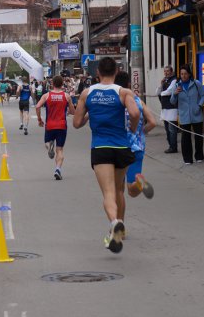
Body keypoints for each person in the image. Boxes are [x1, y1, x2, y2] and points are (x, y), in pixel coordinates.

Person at [73, 58, 140, 254]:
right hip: (121, 146)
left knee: (108, 193)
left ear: (97, 73)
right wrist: (133, 128)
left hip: (101, 147)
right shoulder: (123, 92)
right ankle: (120, 228)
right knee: (119, 190)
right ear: (117, 72)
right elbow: (135, 113)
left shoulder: (87, 93)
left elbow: (76, 123)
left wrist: (88, 115)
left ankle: (114, 223)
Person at [114, 71, 156, 201]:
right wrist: (141, 131)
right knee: (132, 188)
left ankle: (117, 216)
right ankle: (140, 181)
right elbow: (153, 122)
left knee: (118, 188)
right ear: (129, 84)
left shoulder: (114, 102)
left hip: (118, 146)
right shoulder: (138, 101)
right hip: (137, 146)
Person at [36, 75, 76, 180]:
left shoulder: (47, 96)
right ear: (62, 84)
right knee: (60, 150)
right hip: (62, 125)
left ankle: (49, 147)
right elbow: (73, 112)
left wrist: (39, 119)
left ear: (52, 84)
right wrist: (68, 111)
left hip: (50, 125)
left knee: (47, 143)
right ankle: (58, 169)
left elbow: (37, 106)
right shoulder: (66, 96)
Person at [171, 65, 204, 165]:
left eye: (185, 74)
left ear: (189, 74)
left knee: (198, 137)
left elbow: (203, 96)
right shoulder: (177, 85)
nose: (183, 76)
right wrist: (175, 93)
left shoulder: (196, 83)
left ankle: (199, 156)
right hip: (184, 116)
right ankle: (187, 159)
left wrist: (199, 106)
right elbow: (173, 102)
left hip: (196, 114)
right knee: (185, 138)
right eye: (182, 74)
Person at [157, 65, 179, 153]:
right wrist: (161, 84)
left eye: (167, 71)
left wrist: (161, 93)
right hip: (164, 108)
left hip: (172, 108)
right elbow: (157, 92)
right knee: (167, 129)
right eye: (165, 71)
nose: (166, 73)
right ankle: (170, 146)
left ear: (171, 71)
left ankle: (173, 147)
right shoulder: (165, 81)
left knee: (172, 129)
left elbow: (169, 91)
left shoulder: (174, 80)